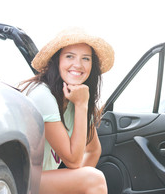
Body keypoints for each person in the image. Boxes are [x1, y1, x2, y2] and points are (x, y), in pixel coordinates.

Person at [20, 27, 114, 194]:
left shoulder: (75, 99)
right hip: (14, 177)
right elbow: (73, 160)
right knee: (94, 179)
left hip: (39, 180)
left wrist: (74, 185)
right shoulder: (43, 95)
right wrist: (82, 105)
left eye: (86, 58)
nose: (78, 65)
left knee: (90, 179)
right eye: (69, 56)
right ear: (57, 61)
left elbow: (93, 150)